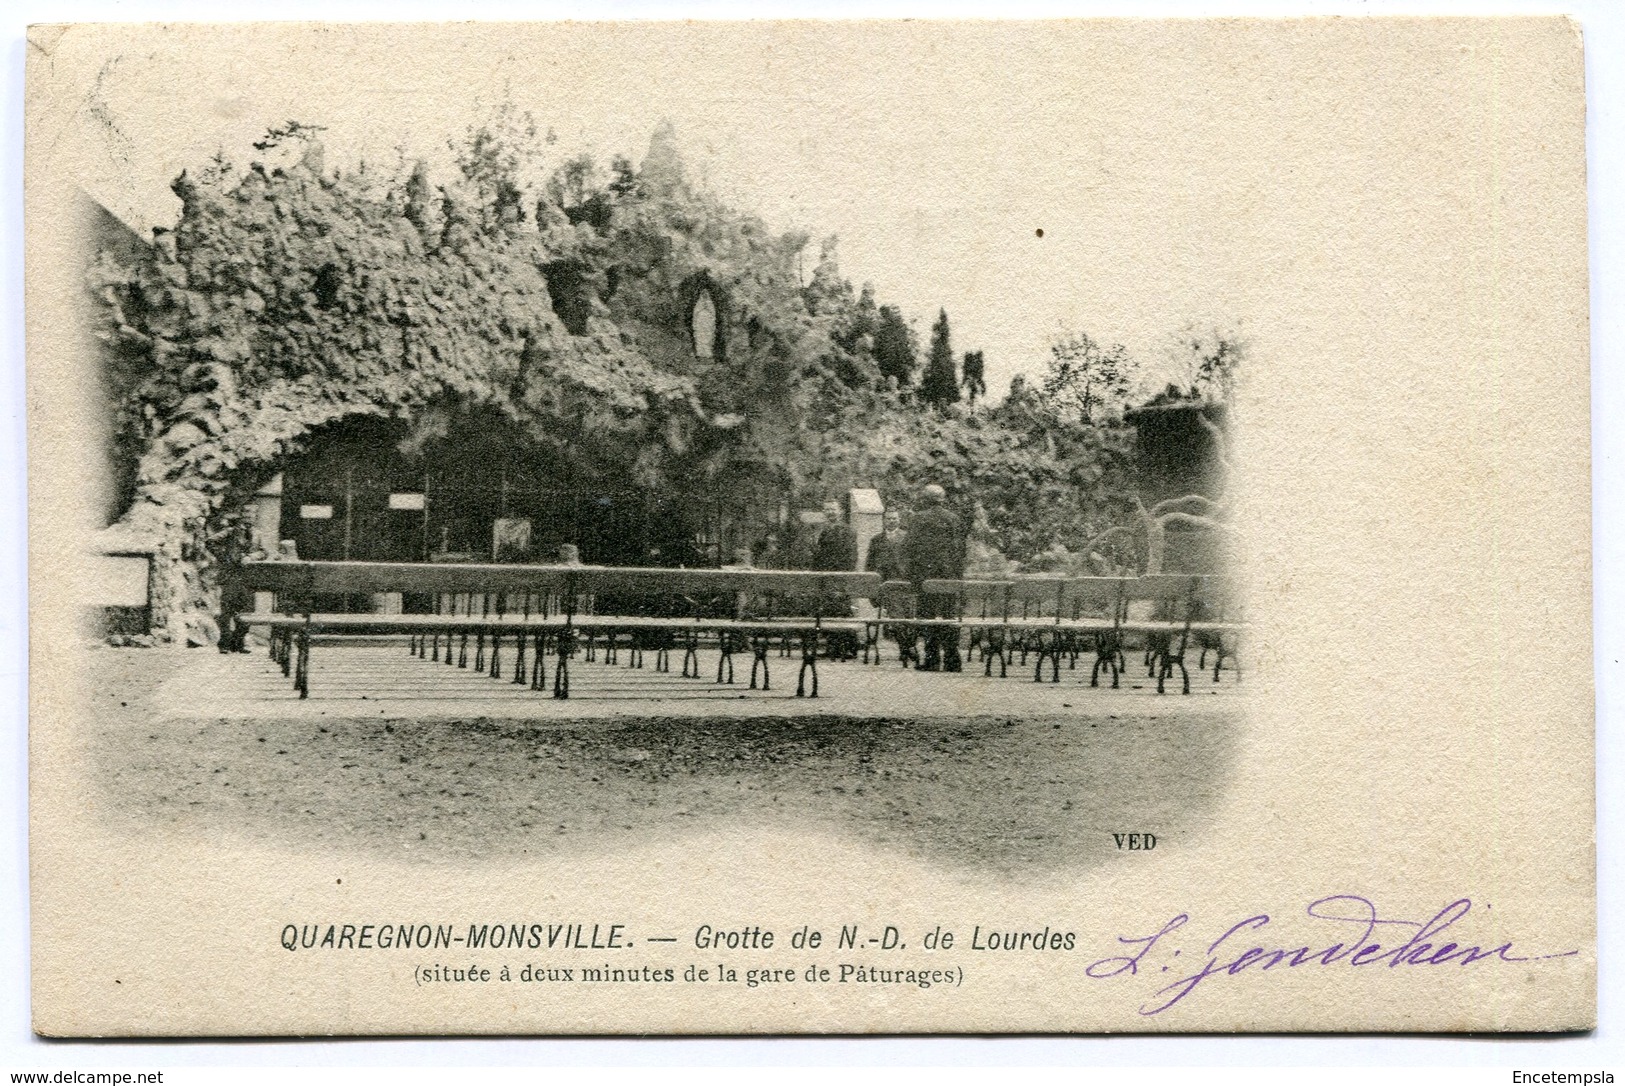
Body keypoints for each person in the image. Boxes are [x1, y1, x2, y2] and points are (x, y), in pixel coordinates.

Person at [904, 483, 966, 671]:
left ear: (924, 499)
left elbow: (910, 548)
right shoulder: (954, 519)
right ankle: (952, 659)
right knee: (949, 615)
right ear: (942, 499)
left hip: (926, 577)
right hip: (949, 576)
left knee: (927, 615)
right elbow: (960, 550)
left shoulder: (918, 519)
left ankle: (931, 659)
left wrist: (913, 576)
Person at [864, 507, 908, 584]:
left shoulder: (907, 537)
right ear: (884, 520)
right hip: (881, 578)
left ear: (899, 519)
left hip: (901, 577)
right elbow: (870, 561)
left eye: (894, 518)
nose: (892, 521)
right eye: (888, 519)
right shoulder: (876, 539)